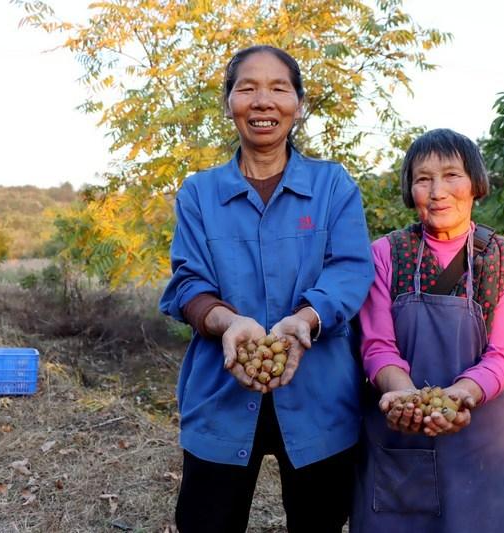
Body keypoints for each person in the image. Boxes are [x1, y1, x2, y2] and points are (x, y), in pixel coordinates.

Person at [159, 45, 374, 533]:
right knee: (205, 520)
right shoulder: (199, 193)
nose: (263, 101)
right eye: (247, 87)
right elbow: (188, 283)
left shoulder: (333, 186)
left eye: (279, 88)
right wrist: (229, 322)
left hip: (322, 395)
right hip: (222, 392)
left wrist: (304, 320)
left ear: (298, 104)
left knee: (319, 521)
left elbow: (350, 270)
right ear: (228, 101)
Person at [350, 128, 504, 532]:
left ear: (474, 184)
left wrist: (460, 397)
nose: (438, 191)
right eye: (423, 178)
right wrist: (402, 394)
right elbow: (378, 346)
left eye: (452, 175)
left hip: (488, 443)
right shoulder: (384, 255)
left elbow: (503, 355)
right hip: (401, 436)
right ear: (409, 188)